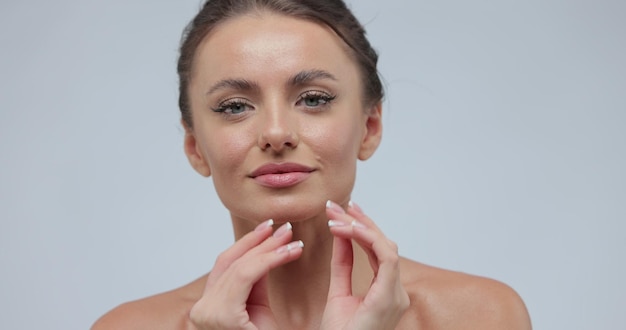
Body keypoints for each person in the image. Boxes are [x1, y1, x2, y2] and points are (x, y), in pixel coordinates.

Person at [93, 0, 531, 329]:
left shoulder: (480, 316)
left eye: (314, 99)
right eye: (233, 107)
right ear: (195, 147)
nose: (276, 132)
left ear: (370, 126)